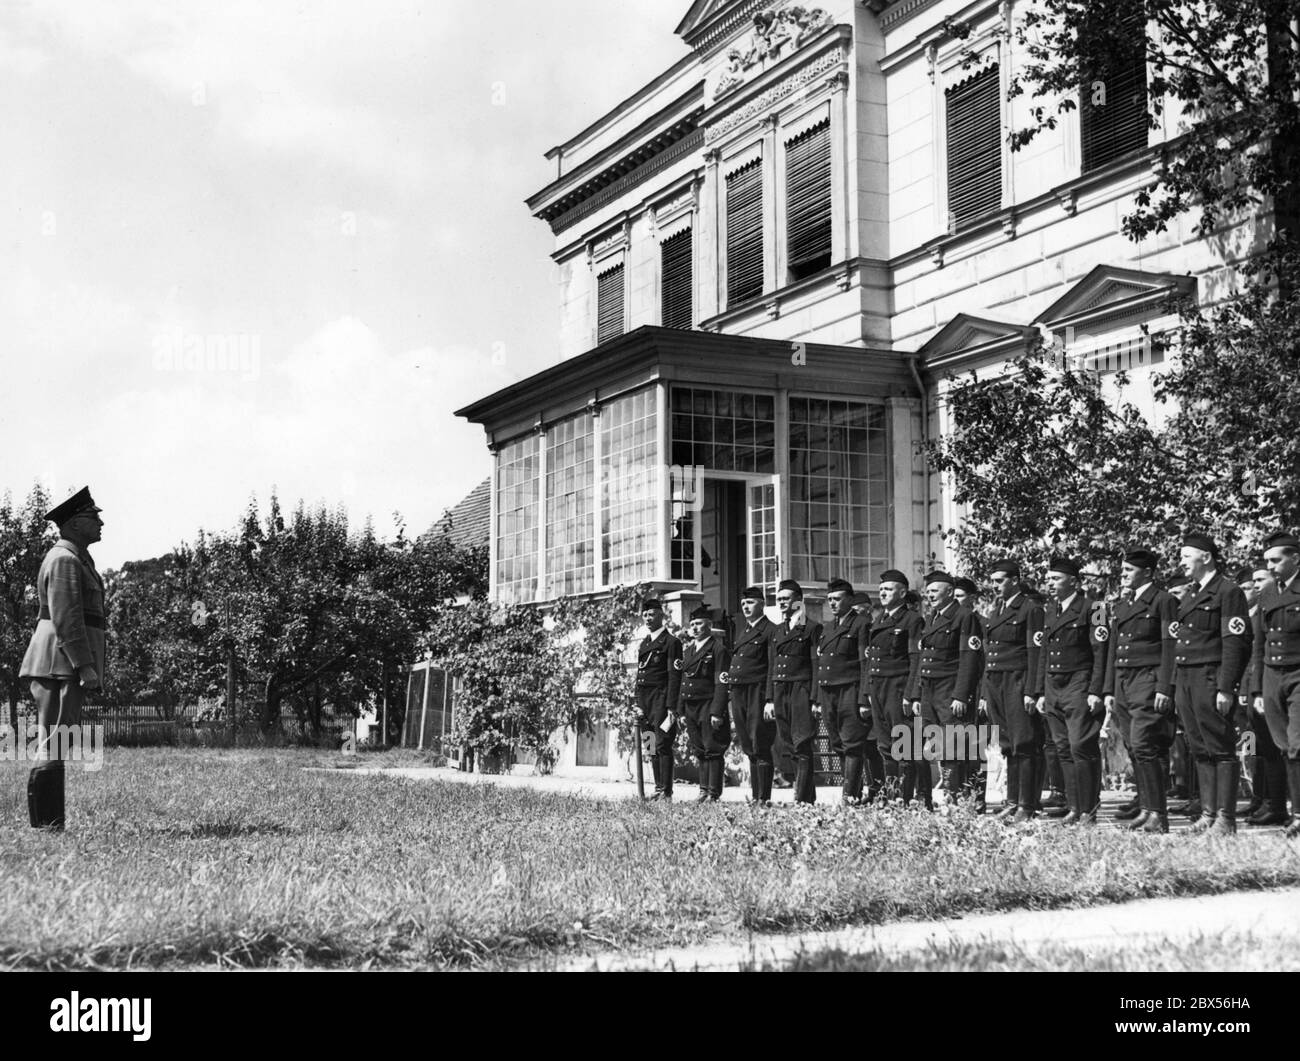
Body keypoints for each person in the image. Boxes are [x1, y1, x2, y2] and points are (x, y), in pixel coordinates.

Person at [21, 486, 106, 830]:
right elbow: (67, 617)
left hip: (61, 662)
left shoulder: (76, 557)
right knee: (54, 740)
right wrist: (84, 665)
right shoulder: (65, 560)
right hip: (60, 663)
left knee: (57, 739)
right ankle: (47, 825)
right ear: (72, 524)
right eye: (92, 516)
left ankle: (48, 824)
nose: (100, 522)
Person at [1172, 534, 1251, 835]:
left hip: (1210, 677)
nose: (1182, 562)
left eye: (1186, 556)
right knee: (1199, 747)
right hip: (1187, 679)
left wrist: (1226, 686)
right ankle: (1208, 813)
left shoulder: (1228, 592)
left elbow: (1236, 643)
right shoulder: (1192, 594)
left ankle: (1226, 818)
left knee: (1220, 747)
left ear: (1205, 557)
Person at [1103, 549, 1177, 833]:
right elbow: (1112, 649)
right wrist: (1109, 688)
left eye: (1128, 571)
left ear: (1147, 572)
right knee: (1135, 747)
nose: (1123, 576)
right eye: (1122, 571)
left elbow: (1170, 645)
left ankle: (1158, 813)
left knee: (1146, 744)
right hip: (1124, 682)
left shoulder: (1163, 600)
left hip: (1148, 679)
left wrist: (1164, 686)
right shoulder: (1121, 605)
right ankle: (1148, 808)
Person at [1032, 557, 1108, 825]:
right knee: (1063, 748)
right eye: (1048, 578)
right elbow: (1044, 652)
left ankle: (1089, 810)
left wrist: (1097, 690)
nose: (1049, 583)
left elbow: (1101, 651)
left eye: (1055, 579)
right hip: (1054, 687)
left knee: (1081, 746)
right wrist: (1041, 691)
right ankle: (1075, 808)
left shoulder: (1095, 607)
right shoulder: (1050, 610)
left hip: (1080, 683)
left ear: (1074, 582)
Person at [906, 571, 984, 808]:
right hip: (929, 691)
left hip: (949, 691)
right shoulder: (932, 618)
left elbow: (969, 659)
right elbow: (924, 658)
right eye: (927, 592)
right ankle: (929, 798)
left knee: (953, 746)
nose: (929, 595)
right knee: (930, 745)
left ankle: (955, 798)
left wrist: (961, 695)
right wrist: (918, 694)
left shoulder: (964, 617)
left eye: (934, 591)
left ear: (949, 592)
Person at [981, 560, 1044, 824]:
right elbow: (989, 654)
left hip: (1018, 682)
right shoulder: (996, 610)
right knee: (1008, 745)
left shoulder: (1030, 609)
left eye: (1000, 581)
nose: (994, 586)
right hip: (997, 683)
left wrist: (1032, 690)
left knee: (1024, 744)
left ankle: (1026, 805)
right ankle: (1012, 801)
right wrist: (986, 692)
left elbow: (1035, 652)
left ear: (1015, 580)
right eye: (993, 581)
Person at [1251, 531, 1300, 839]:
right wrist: (1257, 689)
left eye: (1276, 560)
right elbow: (1259, 642)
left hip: (1298, 674)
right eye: (1267, 560)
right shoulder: (1267, 593)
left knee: (1297, 746)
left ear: (1295, 558)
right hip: (1272, 675)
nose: (1269, 567)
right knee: (1282, 746)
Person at [862, 569, 922, 804]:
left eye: (888, 589)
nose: (882, 592)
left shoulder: (912, 620)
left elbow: (915, 659)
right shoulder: (880, 619)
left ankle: (905, 799)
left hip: (898, 689)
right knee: (885, 745)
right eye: (881, 589)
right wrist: (867, 691)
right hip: (878, 689)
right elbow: (872, 660)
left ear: (903, 592)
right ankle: (891, 796)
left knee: (903, 745)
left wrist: (910, 694)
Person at [816, 579, 871, 804]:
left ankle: (850, 795)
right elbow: (822, 663)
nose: (833, 603)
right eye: (830, 599)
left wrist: (863, 698)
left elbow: (864, 663)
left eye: (837, 599)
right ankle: (854, 790)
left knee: (852, 743)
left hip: (850, 689)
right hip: (829, 692)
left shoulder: (861, 624)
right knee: (837, 742)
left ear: (849, 599)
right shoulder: (828, 627)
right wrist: (819, 699)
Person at [725, 585, 777, 804]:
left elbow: (773, 666)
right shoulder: (743, 631)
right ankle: (756, 797)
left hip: (758, 692)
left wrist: (769, 700)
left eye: (751, 602)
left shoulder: (770, 630)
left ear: (762, 604)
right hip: (739, 693)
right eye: (744, 603)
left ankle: (763, 798)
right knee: (748, 745)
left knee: (760, 743)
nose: (746, 606)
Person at [771, 579, 821, 803]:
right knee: (789, 743)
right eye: (779, 599)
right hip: (781, 689)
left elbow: (815, 666)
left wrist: (814, 698)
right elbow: (772, 665)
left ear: (798, 601)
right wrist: (769, 699)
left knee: (802, 744)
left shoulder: (811, 628)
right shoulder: (778, 630)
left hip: (801, 689)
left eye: (786, 598)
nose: (782, 602)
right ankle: (807, 798)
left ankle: (801, 798)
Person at [679, 604, 732, 802]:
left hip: (709, 706)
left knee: (713, 749)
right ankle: (703, 790)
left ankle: (713, 792)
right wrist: (681, 710)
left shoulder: (718, 650)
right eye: (692, 624)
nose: (694, 628)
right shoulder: (688, 652)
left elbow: (721, 683)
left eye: (699, 623)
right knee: (699, 749)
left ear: (709, 626)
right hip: (691, 706)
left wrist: (717, 712)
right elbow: (683, 681)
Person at [634, 597, 682, 801]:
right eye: (644, 615)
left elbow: (674, 675)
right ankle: (658, 787)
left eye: (651, 614)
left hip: (662, 701)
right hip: (645, 702)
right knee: (650, 745)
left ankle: (667, 792)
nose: (647, 618)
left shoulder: (672, 642)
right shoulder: (645, 643)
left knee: (662, 744)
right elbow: (640, 675)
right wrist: (637, 703)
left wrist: (672, 706)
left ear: (661, 616)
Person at [954, 577, 990, 811]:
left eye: (960, 596)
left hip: (977, 693)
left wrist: (986, 695)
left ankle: (977, 797)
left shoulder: (983, 624)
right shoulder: (946, 623)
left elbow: (988, 663)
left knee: (976, 748)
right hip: (953, 693)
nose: (955, 601)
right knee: (953, 746)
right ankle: (957, 795)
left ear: (973, 599)